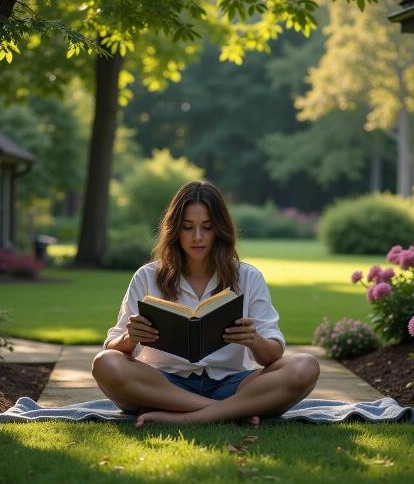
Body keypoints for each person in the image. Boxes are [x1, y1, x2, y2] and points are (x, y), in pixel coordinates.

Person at [92, 180, 320, 427]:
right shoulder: (147, 276)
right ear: (175, 230)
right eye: (188, 227)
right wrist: (130, 337)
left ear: (220, 230)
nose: (197, 237)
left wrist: (254, 340)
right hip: (164, 384)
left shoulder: (247, 277)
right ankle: (227, 412)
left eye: (207, 227)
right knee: (104, 363)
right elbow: (113, 348)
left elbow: (273, 354)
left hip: (232, 384)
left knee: (305, 367)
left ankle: (182, 417)